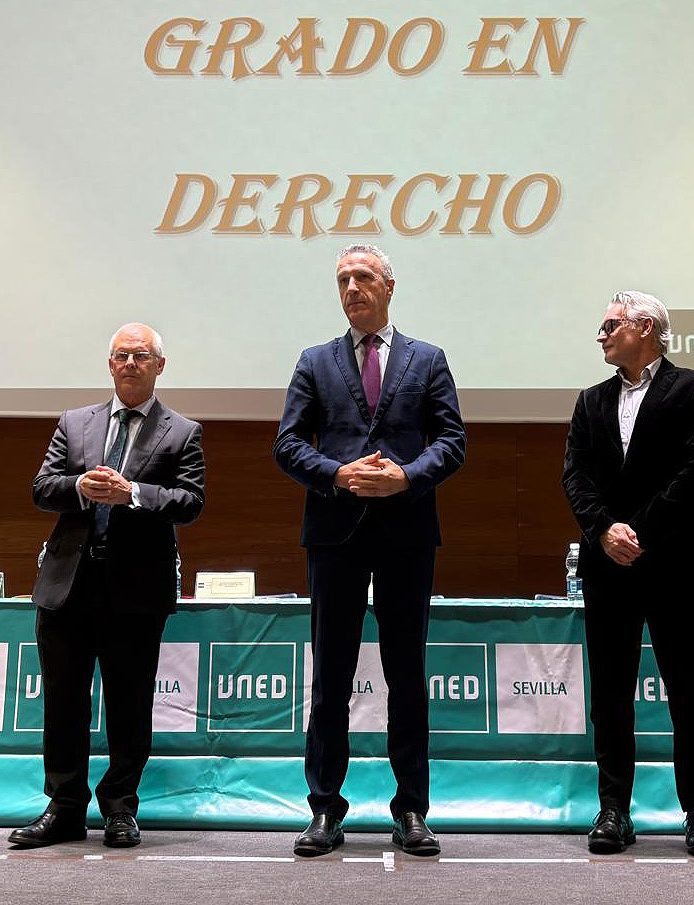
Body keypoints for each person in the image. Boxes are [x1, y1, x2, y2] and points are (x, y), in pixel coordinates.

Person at [274, 244, 466, 857]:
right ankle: (325, 810)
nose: (351, 288)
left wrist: (406, 476)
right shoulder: (314, 361)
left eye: (362, 278)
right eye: (342, 280)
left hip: (407, 532)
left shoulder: (427, 359)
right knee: (331, 677)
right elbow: (287, 444)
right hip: (336, 533)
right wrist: (337, 473)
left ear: (388, 286)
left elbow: (452, 441)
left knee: (407, 675)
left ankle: (411, 809)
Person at [9, 323, 205, 849]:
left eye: (141, 356)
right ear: (110, 364)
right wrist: (79, 486)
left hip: (137, 590)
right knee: (64, 703)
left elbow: (190, 502)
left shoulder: (183, 431)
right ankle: (65, 807)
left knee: (129, 704)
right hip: (68, 586)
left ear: (159, 365)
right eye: (121, 356)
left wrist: (134, 494)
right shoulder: (75, 423)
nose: (130, 364)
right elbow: (42, 488)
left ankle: (120, 807)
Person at [561, 290, 694, 857]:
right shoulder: (590, 400)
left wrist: (641, 529)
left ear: (647, 327)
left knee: (687, 689)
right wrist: (605, 530)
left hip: (674, 562)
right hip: (608, 565)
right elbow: (575, 477)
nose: (601, 335)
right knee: (610, 692)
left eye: (610, 324)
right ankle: (613, 810)